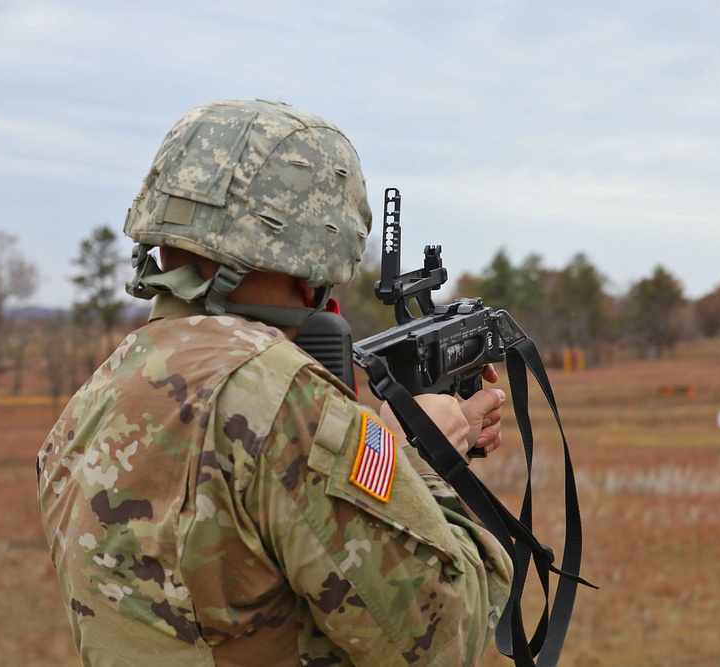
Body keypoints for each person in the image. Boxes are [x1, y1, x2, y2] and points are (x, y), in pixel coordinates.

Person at [37, 99, 513, 666]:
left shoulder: (95, 396)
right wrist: (426, 468)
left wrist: (383, 460)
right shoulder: (284, 399)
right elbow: (440, 639)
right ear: (318, 246)